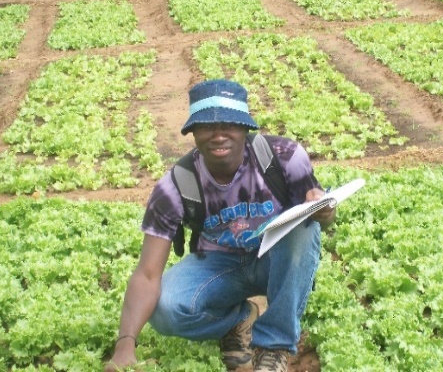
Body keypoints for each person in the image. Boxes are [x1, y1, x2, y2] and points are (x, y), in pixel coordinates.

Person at [105, 79, 336, 372]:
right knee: (165, 310)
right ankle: (239, 320)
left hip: (276, 260)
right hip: (218, 265)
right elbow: (147, 274)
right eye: (206, 127)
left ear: (244, 127)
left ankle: (274, 347)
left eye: (229, 125)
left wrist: (324, 213)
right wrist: (125, 345)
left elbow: (319, 225)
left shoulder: (284, 157)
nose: (218, 135)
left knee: (303, 228)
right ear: (193, 132)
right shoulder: (175, 186)